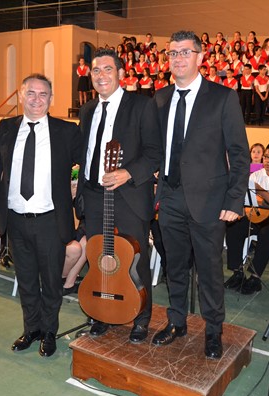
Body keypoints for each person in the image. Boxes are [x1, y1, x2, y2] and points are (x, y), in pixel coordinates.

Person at [152, 31, 249, 359]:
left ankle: (213, 330)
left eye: (184, 52)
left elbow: (239, 153)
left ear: (200, 57)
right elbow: (157, 148)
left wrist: (234, 199)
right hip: (170, 198)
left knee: (209, 270)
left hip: (209, 201)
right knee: (175, 266)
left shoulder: (223, 97)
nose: (178, 58)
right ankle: (177, 321)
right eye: (173, 53)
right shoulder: (160, 98)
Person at [0, 74, 82, 358]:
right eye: (31, 93)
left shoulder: (66, 131)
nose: (37, 99)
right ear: (21, 96)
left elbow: (87, 163)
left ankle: (49, 332)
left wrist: (79, 189)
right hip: (15, 220)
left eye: (43, 94)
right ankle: (32, 329)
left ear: (51, 99)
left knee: (51, 281)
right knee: (25, 280)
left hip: (50, 219)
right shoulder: (6, 128)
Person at [75, 48, 161, 344]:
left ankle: (141, 317)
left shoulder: (142, 106)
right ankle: (102, 312)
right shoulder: (87, 110)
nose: (101, 75)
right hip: (93, 196)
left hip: (129, 196)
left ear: (122, 74)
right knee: (99, 257)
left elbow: (155, 153)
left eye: (108, 69)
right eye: (96, 70)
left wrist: (128, 173)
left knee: (135, 259)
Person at [225, 141, 269, 294]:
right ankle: (237, 272)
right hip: (259, 216)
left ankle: (255, 278)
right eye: (265, 157)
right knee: (234, 226)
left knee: (267, 232)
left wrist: (260, 190)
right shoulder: (256, 175)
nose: (267, 161)